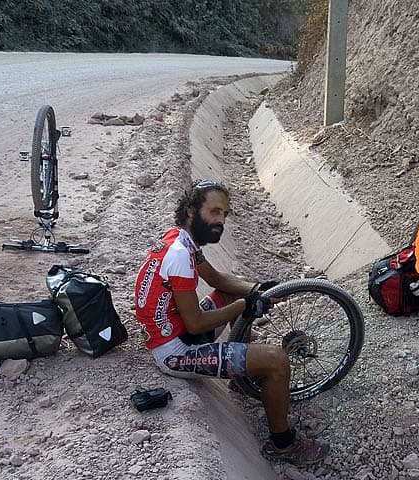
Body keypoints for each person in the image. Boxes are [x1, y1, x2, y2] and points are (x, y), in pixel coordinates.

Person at [134, 179, 330, 465]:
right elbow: (197, 324)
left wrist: (257, 290)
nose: (220, 221)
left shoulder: (181, 241)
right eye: (214, 212)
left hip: (177, 334)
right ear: (191, 211)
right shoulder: (179, 257)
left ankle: (243, 379)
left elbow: (218, 281)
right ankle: (283, 445)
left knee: (232, 291)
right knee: (277, 360)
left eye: (225, 214)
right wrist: (245, 305)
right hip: (175, 352)